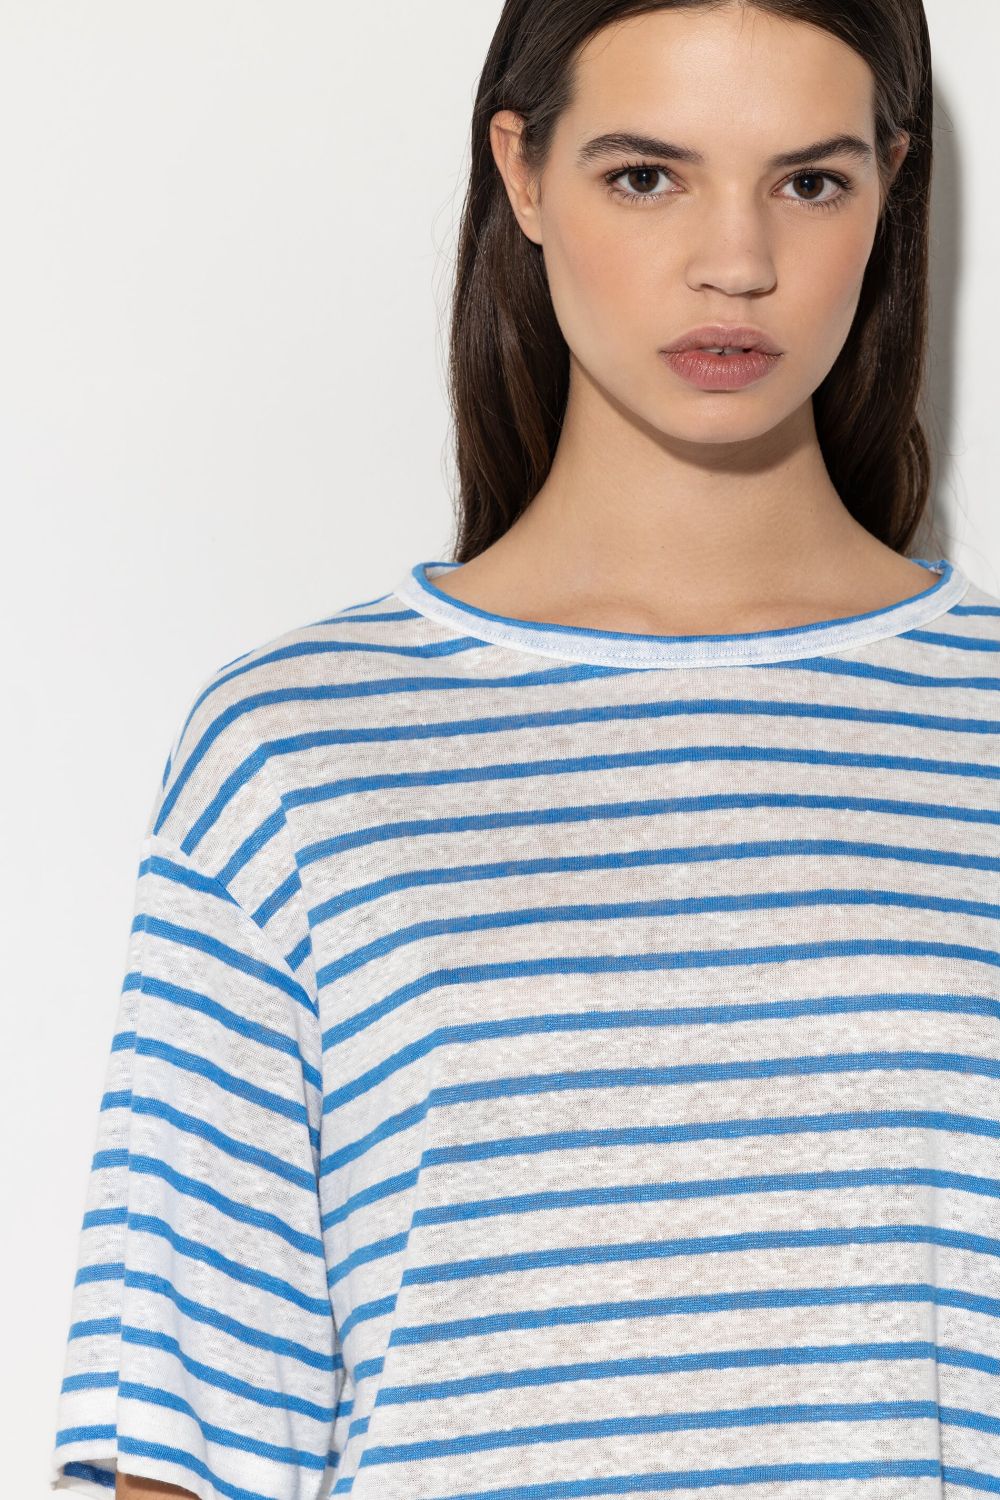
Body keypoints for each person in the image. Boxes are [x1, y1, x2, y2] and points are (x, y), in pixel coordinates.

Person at [51, 2, 1000, 1497]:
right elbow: (190, 1439)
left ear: (889, 185)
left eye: (809, 181)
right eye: (648, 175)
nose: (737, 262)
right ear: (524, 171)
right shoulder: (298, 750)